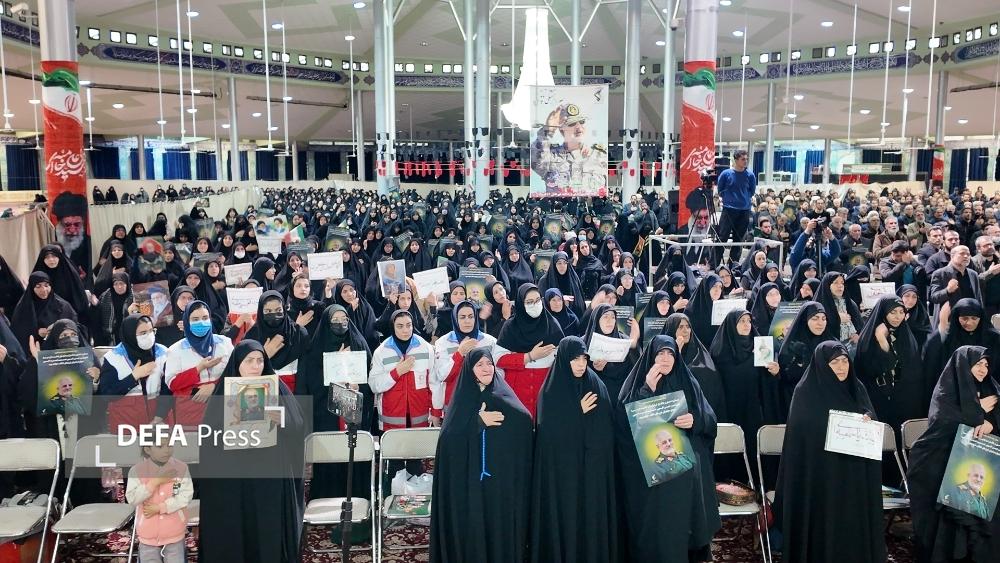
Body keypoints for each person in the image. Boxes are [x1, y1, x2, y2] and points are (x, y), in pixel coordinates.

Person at [773, 342, 886, 563]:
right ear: (822, 365)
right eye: (835, 362)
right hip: (819, 476)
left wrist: (867, 418)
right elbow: (801, 438)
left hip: (852, 473)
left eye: (845, 361)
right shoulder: (806, 392)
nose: (842, 367)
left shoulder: (856, 387)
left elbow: (870, 415)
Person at [198, 340, 306, 563]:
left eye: (260, 360)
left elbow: (297, 424)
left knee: (267, 524)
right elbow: (208, 436)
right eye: (249, 361)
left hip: (269, 470)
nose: (256, 366)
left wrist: (282, 420)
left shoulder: (276, 386)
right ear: (237, 363)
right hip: (233, 472)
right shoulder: (223, 391)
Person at [614, 335, 720, 562]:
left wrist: (695, 421)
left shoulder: (688, 381)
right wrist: (647, 390)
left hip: (685, 473)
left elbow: (710, 420)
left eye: (670, 353)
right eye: (660, 353)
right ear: (651, 357)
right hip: (651, 475)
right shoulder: (637, 383)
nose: (665, 358)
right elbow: (623, 425)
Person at [430, 348, 533, 563]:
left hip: (500, 484)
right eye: (479, 365)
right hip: (469, 484)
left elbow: (524, 422)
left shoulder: (503, 394)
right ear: (470, 370)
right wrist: (476, 422)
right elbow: (448, 441)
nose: (486, 368)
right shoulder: (463, 399)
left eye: (489, 363)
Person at [529, 336, 618, 563]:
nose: (580, 364)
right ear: (563, 360)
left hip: (592, 472)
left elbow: (606, 428)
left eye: (584, 359)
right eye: (575, 359)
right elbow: (547, 438)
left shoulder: (596, 385)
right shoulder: (551, 391)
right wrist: (575, 412)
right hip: (563, 476)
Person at [907, 346, 999, 563]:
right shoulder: (946, 391)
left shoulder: (991, 389)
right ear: (963, 366)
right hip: (941, 458)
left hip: (981, 462)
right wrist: (978, 412)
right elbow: (943, 423)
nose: (983, 369)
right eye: (977, 364)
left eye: (986, 364)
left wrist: (991, 424)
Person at [296, 304, 374, 500]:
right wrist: (336, 369)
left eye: (344, 319)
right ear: (326, 323)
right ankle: (327, 498)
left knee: (354, 457)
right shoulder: (315, 349)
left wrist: (357, 386)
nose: (340, 324)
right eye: (335, 320)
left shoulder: (358, 343)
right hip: (325, 416)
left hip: (353, 414)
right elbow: (309, 384)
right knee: (329, 458)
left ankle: (358, 498)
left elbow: (370, 381)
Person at [124, 427, 194, 563]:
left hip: (174, 530)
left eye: (169, 445)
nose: (167, 450)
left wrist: (162, 507)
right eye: (160, 446)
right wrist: (154, 482)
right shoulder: (137, 471)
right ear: (147, 449)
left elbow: (185, 495)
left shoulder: (181, 468)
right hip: (147, 532)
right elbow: (132, 498)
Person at [495, 284, 563, 419]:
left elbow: (562, 358)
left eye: (537, 300)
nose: (535, 305)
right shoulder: (510, 326)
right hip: (516, 392)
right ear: (521, 303)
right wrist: (529, 356)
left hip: (545, 391)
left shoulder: (552, 324)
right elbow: (498, 359)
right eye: (529, 302)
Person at [164, 300, 234, 427]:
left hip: (222, 408)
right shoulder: (175, 350)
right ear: (187, 322)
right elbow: (172, 383)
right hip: (191, 412)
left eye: (205, 318)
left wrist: (214, 387)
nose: (201, 322)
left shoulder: (225, 343)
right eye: (195, 319)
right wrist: (198, 368)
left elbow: (234, 374)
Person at [97, 314, 170, 432]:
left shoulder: (163, 353)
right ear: (130, 334)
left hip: (157, 421)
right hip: (126, 424)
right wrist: (133, 377)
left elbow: (168, 389)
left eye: (151, 331)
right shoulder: (113, 358)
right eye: (143, 333)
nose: (149, 336)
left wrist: (160, 415)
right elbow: (107, 395)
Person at [368, 309, 437, 430]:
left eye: (409, 325)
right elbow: (374, 385)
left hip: (420, 420)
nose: (405, 330)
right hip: (390, 422)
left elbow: (434, 383)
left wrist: (436, 411)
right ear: (392, 327)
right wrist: (396, 372)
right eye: (400, 326)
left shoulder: (426, 348)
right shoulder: (381, 351)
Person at [432, 300, 497, 417]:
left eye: (471, 316)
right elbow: (442, 375)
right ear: (455, 319)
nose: (467, 321)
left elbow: (498, 374)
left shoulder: (490, 341)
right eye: (462, 317)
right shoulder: (443, 342)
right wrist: (459, 353)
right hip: (454, 405)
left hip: (484, 404)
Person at [530, 102, 608, 195]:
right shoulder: (551, 157)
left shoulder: (600, 156)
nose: (579, 127)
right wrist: (547, 130)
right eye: (572, 123)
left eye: (581, 122)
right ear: (561, 129)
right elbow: (536, 161)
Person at [776, 302, 835, 421]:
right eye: (815, 318)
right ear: (804, 320)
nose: (820, 323)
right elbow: (786, 378)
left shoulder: (832, 344)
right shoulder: (792, 346)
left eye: (824, 319)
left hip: (828, 403)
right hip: (800, 405)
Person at [244, 291, 307, 389]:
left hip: (293, 391)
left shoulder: (298, 333)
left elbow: (305, 369)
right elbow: (245, 371)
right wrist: (265, 355)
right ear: (261, 312)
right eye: (268, 311)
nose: (274, 315)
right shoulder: (252, 336)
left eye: (278, 310)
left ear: (284, 309)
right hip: (262, 390)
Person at [583, 303, 640, 401]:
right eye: (605, 316)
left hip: (619, 396)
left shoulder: (625, 341)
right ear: (596, 319)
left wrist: (633, 345)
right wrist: (593, 369)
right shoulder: (583, 342)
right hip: (594, 396)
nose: (610, 321)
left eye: (613, 317)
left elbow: (634, 371)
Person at [714, 149, 757, 266]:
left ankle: (733, 265)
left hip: (744, 210)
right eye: (743, 159)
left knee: (739, 239)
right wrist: (729, 199)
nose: (745, 161)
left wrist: (744, 200)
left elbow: (752, 191)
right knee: (722, 237)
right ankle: (714, 263)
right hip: (728, 210)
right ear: (736, 160)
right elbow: (720, 189)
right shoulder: (726, 174)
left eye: (747, 159)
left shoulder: (750, 175)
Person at [50, 191, 91, 272]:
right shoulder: (50, 238)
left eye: (77, 224)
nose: (72, 230)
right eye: (67, 224)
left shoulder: (88, 241)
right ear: (60, 224)